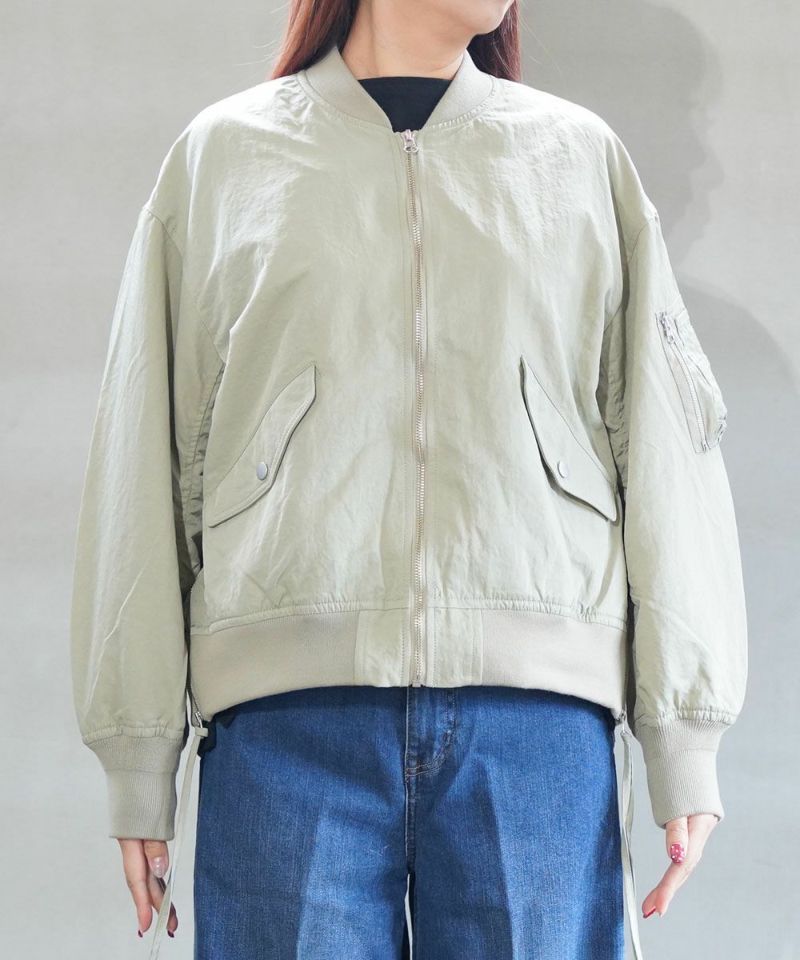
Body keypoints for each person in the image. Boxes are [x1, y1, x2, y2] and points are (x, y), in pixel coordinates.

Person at [69, 1, 749, 958]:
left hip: (534, 729)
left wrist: (684, 737)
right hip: (288, 726)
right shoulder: (225, 159)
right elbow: (144, 450)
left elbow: (669, 449)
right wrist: (138, 756)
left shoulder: (577, 159)